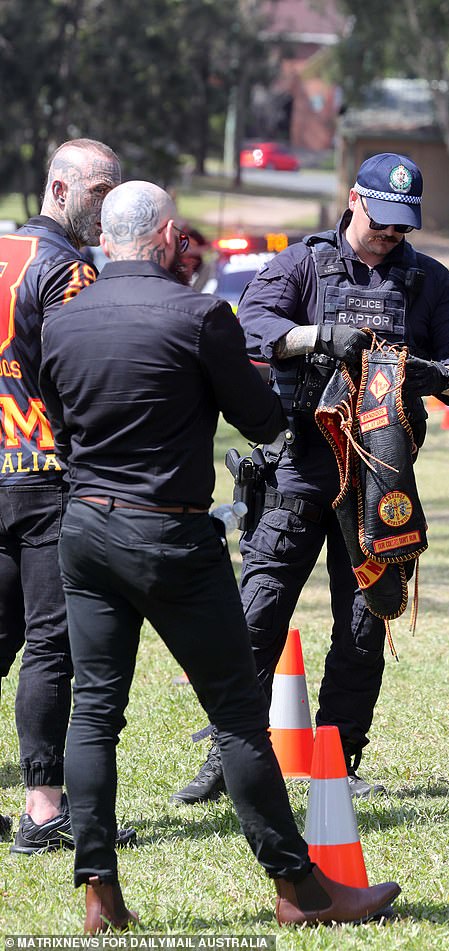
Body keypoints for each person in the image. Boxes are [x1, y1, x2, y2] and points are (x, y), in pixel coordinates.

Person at [39, 180, 401, 931]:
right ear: (168, 236)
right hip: (169, 534)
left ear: (106, 239)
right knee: (238, 715)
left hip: (85, 528)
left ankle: (99, 893)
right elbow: (262, 417)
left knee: (95, 714)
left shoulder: (62, 318)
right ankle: (302, 890)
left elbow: (61, 425)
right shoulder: (200, 313)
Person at [172, 152, 449, 805]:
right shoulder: (303, 263)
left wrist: (439, 376)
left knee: (365, 621)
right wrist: (318, 336)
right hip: (298, 466)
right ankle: (231, 755)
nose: (392, 235)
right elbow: (251, 326)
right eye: (382, 220)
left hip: (379, 479)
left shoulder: (429, 282)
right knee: (254, 616)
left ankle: (337, 758)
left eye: (404, 226)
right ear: (353, 199)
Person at [0, 138, 133, 854]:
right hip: (43, 473)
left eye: (115, 193)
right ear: (58, 189)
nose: (106, 207)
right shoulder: (67, 269)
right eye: (95, 193)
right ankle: (45, 810)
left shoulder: (5, 251)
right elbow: (89, 371)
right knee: (52, 643)